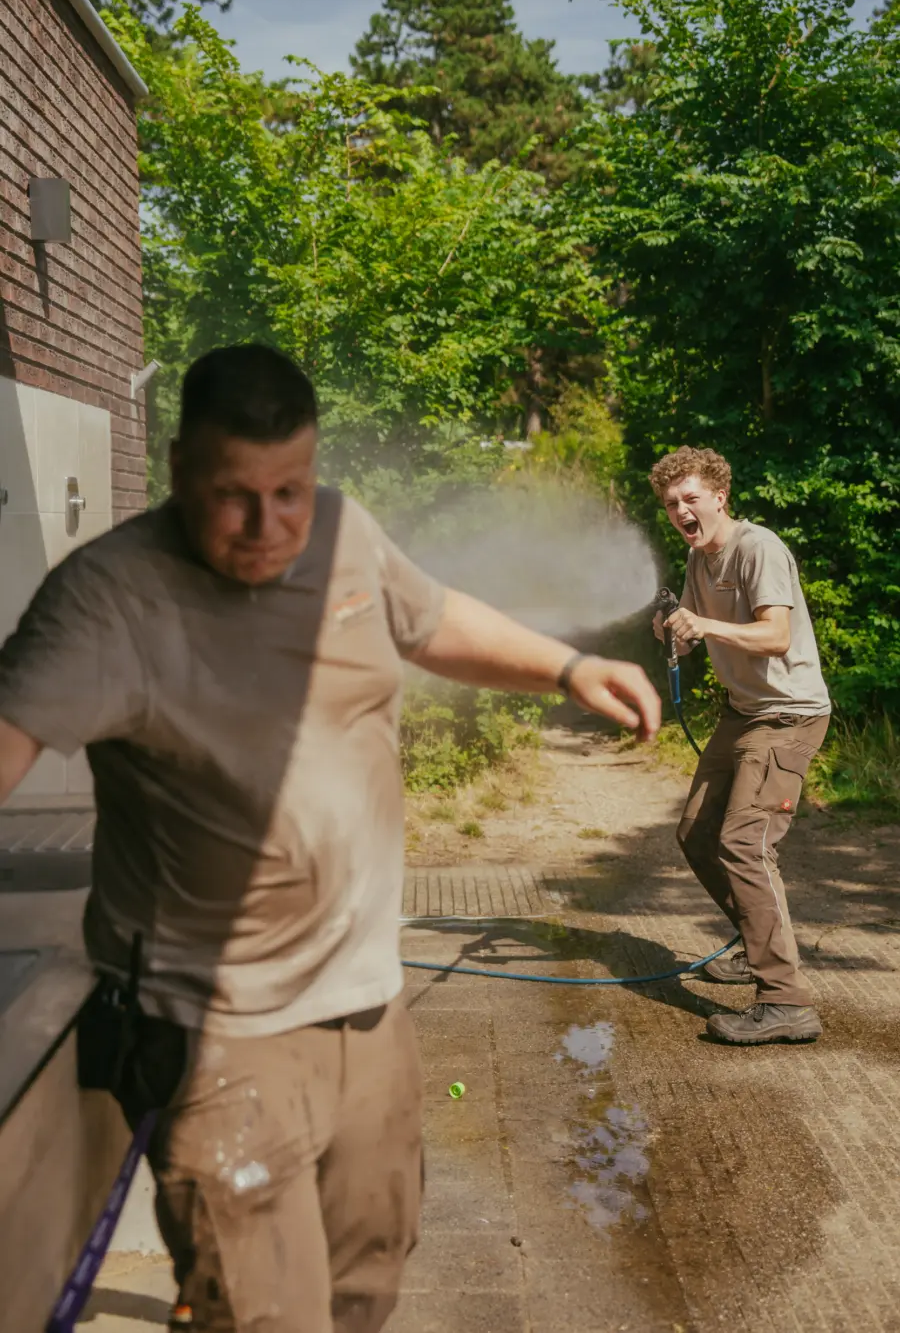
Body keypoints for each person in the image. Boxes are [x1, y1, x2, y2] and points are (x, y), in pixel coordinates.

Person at [0, 344, 660, 1333]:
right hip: (222, 1036)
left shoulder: (345, 534)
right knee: (267, 1315)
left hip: (368, 1009)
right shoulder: (107, 601)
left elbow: (428, 619)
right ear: (178, 467)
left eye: (290, 491)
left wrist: (565, 668)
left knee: (369, 1275)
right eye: (233, 495)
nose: (268, 528)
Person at [650, 446, 831, 1047]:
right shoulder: (698, 556)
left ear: (720, 496)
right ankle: (760, 949)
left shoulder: (758, 548)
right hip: (743, 714)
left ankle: (785, 1000)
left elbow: (775, 635)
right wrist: (677, 626)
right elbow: (700, 632)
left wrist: (704, 625)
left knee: (744, 845)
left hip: (789, 715)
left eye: (691, 498)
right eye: (672, 503)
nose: (681, 510)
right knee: (697, 832)